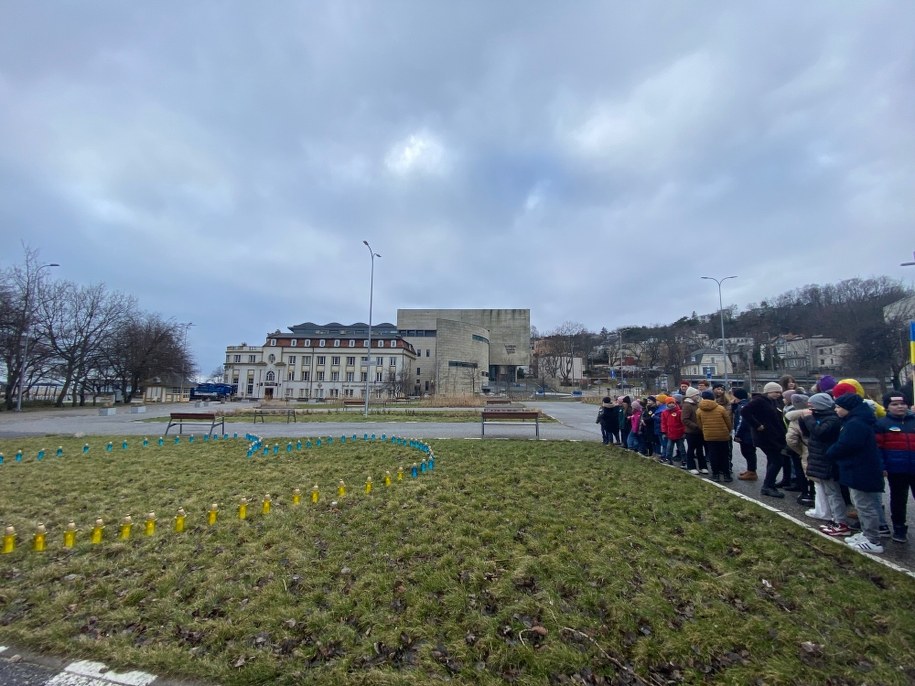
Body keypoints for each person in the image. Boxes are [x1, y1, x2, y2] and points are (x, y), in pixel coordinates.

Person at [825, 392, 886, 553]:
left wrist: (830, 452)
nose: (836, 410)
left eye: (838, 407)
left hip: (860, 469)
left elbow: (847, 444)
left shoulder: (856, 424)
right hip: (858, 468)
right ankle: (866, 534)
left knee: (865, 505)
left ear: (849, 408)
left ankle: (872, 540)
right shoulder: (855, 421)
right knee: (861, 504)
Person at [875, 390, 915, 543]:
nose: (900, 407)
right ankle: (899, 528)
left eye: (903, 403)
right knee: (898, 499)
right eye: (895, 404)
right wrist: (882, 466)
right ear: (887, 407)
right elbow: (878, 448)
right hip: (896, 469)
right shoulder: (882, 424)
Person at [801, 393, 846, 525]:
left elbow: (820, 432)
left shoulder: (831, 420)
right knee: (826, 490)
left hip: (826, 460)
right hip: (819, 459)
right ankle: (830, 515)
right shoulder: (819, 417)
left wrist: (809, 418)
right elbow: (808, 433)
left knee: (833, 492)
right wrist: (804, 419)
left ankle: (839, 520)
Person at [741, 382, 788, 498]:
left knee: (773, 460)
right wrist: (757, 425)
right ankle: (767, 486)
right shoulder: (759, 401)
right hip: (765, 436)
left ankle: (769, 483)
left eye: (779, 392)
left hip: (774, 435)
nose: (778, 394)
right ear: (768, 391)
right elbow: (745, 411)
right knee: (777, 460)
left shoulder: (773, 401)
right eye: (776, 392)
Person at [696, 390, 733, 482]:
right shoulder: (720, 408)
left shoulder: (699, 410)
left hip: (709, 435)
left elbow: (700, 424)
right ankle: (726, 475)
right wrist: (728, 431)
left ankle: (715, 475)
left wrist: (705, 431)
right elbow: (728, 422)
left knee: (713, 455)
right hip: (723, 435)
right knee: (724, 455)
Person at [784, 394, 814, 506]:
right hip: (812, 448)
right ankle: (813, 494)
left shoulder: (793, 417)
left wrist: (799, 450)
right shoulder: (814, 415)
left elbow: (791, 439)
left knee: (800, 470)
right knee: (812, 472)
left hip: (799, 449)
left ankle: (805, 493)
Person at [681, 386, 708, 474]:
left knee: (700, 449)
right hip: (691, 431)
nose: (698, 396)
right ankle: (691, 466)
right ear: (691, 395)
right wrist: (695, 426)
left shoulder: (697, 404)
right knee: (691, 449)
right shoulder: (687, 405)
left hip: (699, 431)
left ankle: (702, 466)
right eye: (696, 395)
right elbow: (684, 419)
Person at [732, 388, 757, 480]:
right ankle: (750, 469)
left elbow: (741, 422)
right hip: (748, 433)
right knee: (748, 452)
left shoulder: (742, 407)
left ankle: (752, 472)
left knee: (748, 452)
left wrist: (737, 435)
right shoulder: (745, 404)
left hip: (746, 434)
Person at [661, 396, 686, 465]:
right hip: (670, 434)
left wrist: (684, 432)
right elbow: (663, 423)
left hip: (679, 434)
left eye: (673, 403)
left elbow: (683, 423)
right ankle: (669, 460)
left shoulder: (679, 412)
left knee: (681, 448)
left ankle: (684, 460)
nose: (671, 404)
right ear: (667, 404)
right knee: (669, 448)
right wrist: (664, 432)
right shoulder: (664, 413)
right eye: (669, 403)